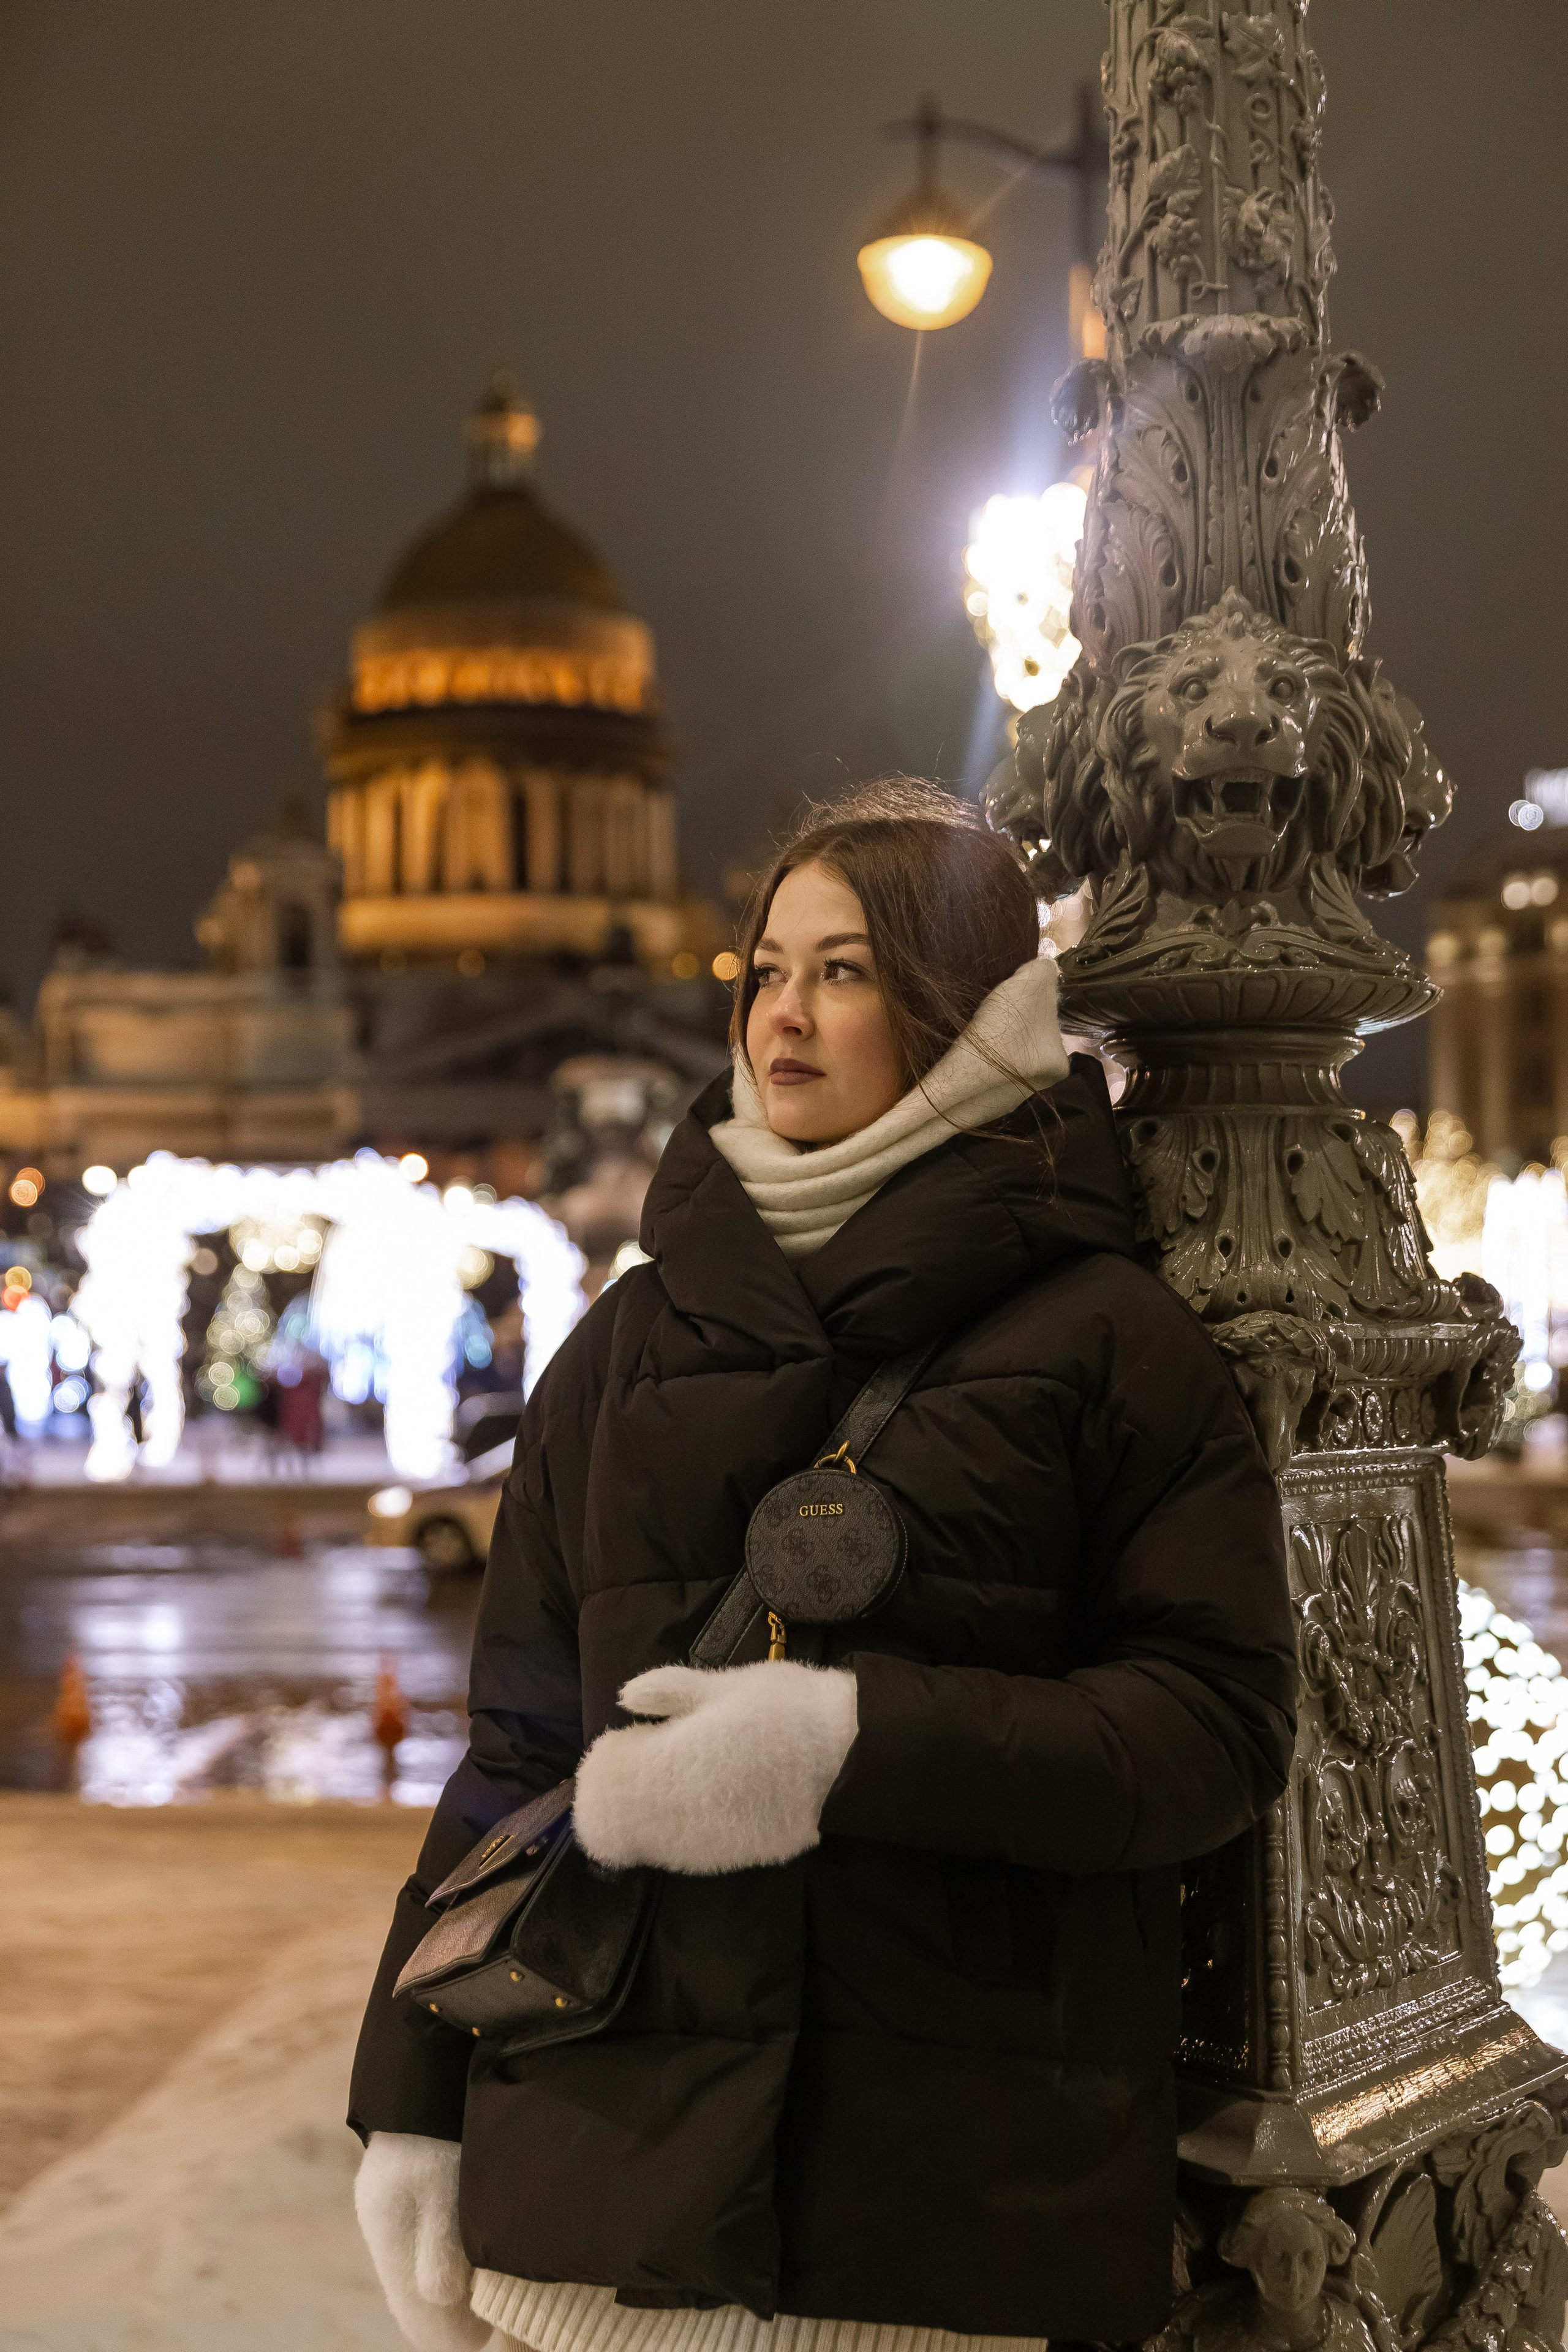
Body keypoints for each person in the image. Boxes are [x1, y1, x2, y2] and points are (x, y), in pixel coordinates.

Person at [349, 783, 1297, 2352]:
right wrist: (411, 2111)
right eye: (763, 970)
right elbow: (514, 1759)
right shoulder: (620, 1346)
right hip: (590, 2237)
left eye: (843, 973)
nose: (780, 1019)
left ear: (968, 1006)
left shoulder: (1112, 1347)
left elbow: (1213, 1732)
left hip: (937, 2246)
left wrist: (848, 1747)